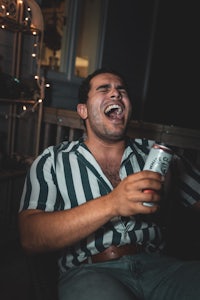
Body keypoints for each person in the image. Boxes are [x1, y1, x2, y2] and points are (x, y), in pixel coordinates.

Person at [18, 68, 200, 300]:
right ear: (83, 110)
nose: (116, 94)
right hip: (89, 272)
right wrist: (113, 203)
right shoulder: (53, 161)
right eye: (104, 89)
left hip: (160, 267)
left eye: (121, 90)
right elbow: (30, 237)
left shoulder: (155, 154)